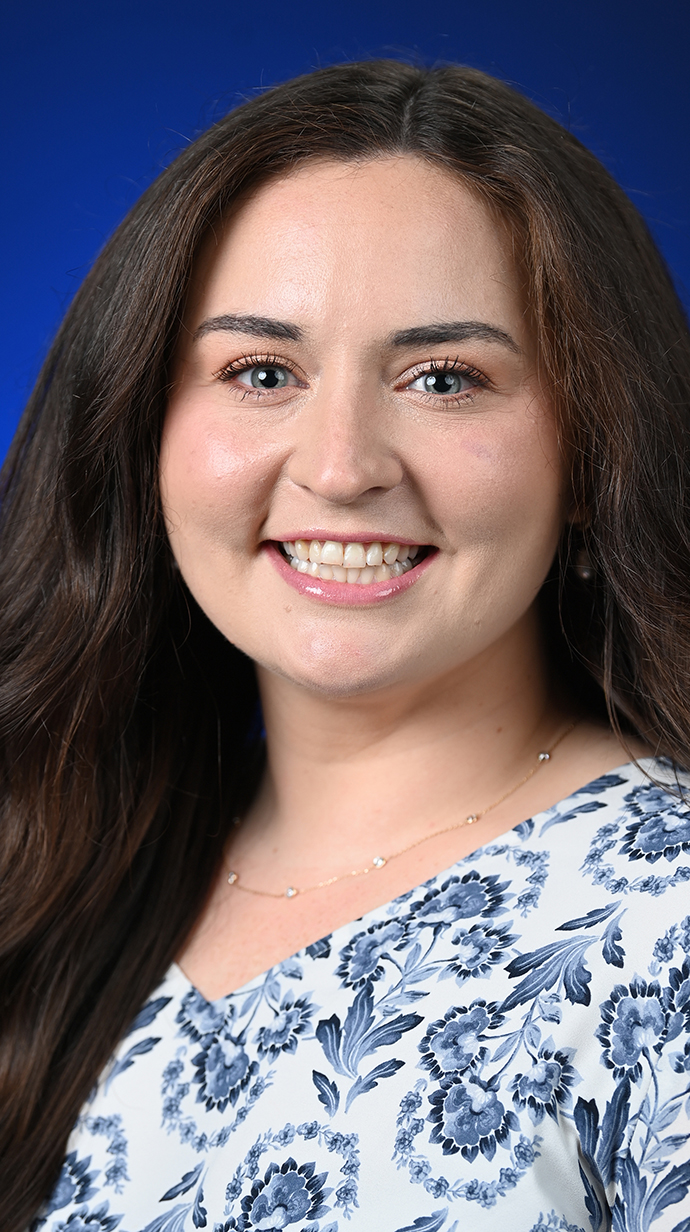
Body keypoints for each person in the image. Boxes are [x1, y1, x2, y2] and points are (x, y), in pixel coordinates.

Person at [1, 58, 690, 1232]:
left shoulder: (662, 921)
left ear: (593, 456)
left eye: (444, 377)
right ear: (140, 433)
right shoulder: (59, 872)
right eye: (261, 370)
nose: (340, 464)